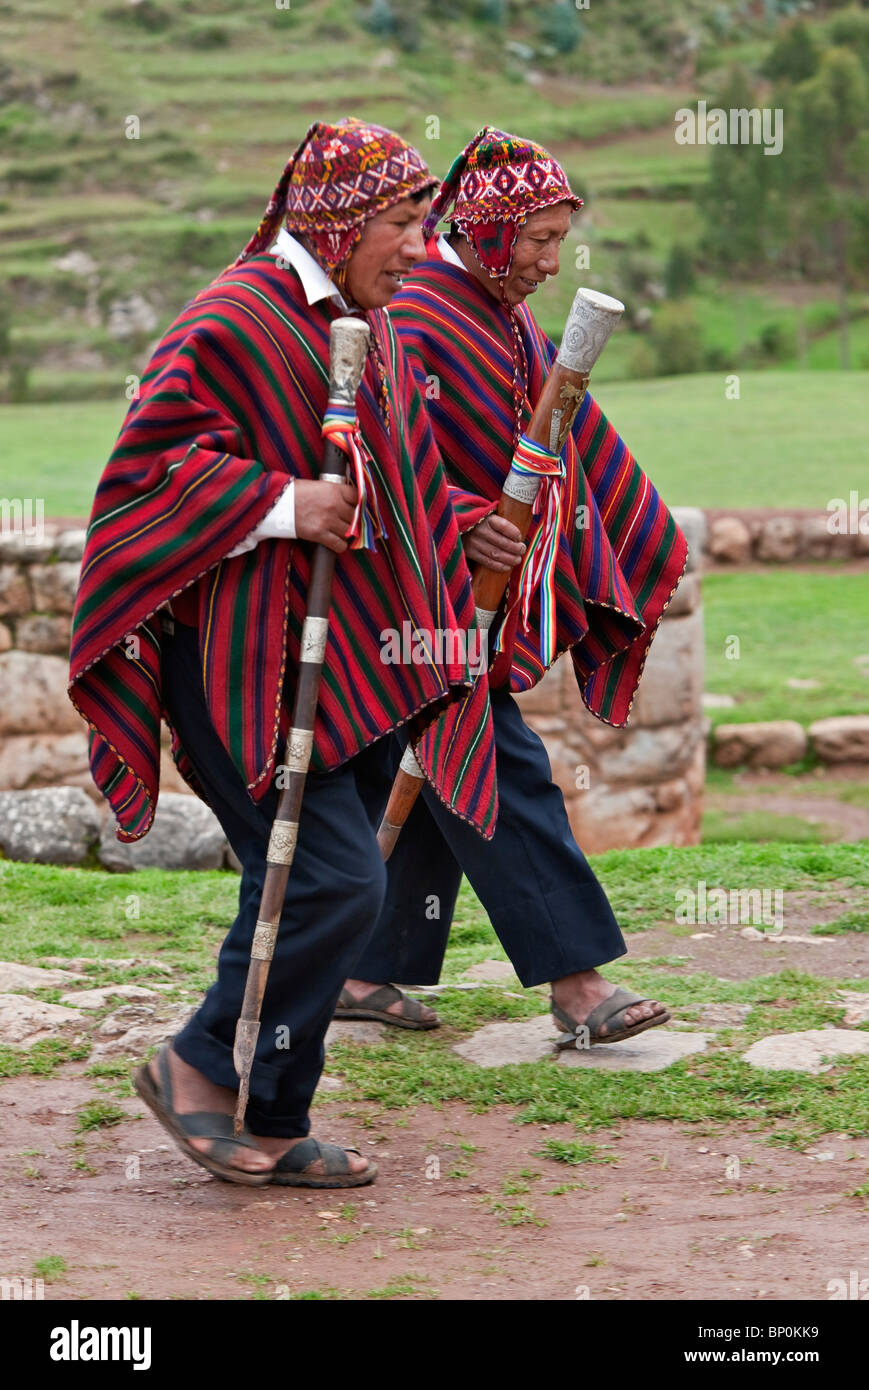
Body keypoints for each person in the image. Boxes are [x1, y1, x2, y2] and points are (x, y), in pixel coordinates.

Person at [68, 119, 496, 1188]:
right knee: (334, 878)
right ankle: (197, 1064)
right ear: (343, 217)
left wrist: (457, 549)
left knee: (316, 880)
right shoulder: (235, 318)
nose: (416, 246)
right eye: (403, 222)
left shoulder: (368, 323)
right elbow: (142, 478)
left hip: (334, 665)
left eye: (422, 222)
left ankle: (267, 1107)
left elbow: (390, 486)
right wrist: (278, 502)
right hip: (235, 667)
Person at [337, 128, 688, 1048]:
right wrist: (458, 517)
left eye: (557, 244)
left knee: (434, 773)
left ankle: (363, 970)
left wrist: (632, 526)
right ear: (487, 228)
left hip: (470, 599)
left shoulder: (499, 309)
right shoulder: (414, 311)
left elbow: (560, 434)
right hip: (410, 597)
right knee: (489, 760)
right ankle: (578, 985)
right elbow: (370, 443)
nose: (545, 262)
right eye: (532, 239)